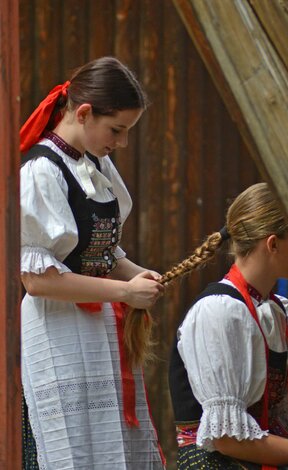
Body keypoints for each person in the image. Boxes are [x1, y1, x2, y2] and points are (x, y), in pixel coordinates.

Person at [20, 56, 165, 470]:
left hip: (99, 326)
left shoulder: (96, 166)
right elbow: (37, 279)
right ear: (83, 113)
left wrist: (138, 275)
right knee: (72, 450)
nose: (120, 143)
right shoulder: (41, 172)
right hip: (57, 329)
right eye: (116, 130)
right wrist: (125, 291)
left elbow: (102, 253)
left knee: (112, 447)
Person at [164, 182, 288, 469]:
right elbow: (228, 439)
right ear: (273, 243)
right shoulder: (218, 312)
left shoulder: (279, 311)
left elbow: (287, 419)